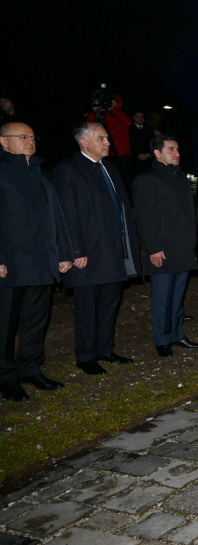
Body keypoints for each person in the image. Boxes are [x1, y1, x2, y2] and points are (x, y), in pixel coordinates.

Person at [53, 122, 140, 375]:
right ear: (84, 142)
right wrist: (75, 250)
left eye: (107, 138)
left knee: (109, 304)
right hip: (87, 253)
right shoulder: (67, 170)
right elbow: (66, 214)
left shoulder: (110, 169)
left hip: (113, 250)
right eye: (101, 138)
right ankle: (86, 356)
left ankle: (105, 349)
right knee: (87, 307)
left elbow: (121, 209)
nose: (108, 143)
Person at [0, 122, 74, 401]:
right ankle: (6, 378)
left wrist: (63, 253)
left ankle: (30, 370)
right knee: (5, 326)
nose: (30, 141)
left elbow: (57, 216)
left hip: (42, 261)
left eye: (32, 136)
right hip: (10, 264)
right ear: (3, 142)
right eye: (22, 136)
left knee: (35, 321)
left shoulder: (41, 172)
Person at [133, 136, 198, 357]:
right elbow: (144, 218)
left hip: (183, 248)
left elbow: (188, 215)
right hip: (162, 250)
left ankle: (177, 334)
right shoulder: (147, 179)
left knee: (178, 297)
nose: (177, 153)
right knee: (163, 298)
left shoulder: (180, 178)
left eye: (178, 149)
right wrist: (153, 248)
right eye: (171, 149)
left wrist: (192, 244)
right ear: (157, 153)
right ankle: (162, 340)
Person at [87, 92, 135, 195]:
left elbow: (127, 122)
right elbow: (89, 125)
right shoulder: (105, 116)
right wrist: (93, 110)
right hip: (109, 154)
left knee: (126, 181)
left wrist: (113, 109)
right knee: (112, 180)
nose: (112, 103)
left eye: (114, 102)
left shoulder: (122, 114)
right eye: (110, 102)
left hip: (124, 155)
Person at [128, 111, 159, 181]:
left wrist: (150, 154)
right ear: (134, 118)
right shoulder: (129, 130)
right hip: (135, 161)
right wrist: (137, 154)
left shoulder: (149, 130)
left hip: (148, 160)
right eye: (138, 116)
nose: (140, 118)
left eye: (142, 117)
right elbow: (129, 143)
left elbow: (152, 142)